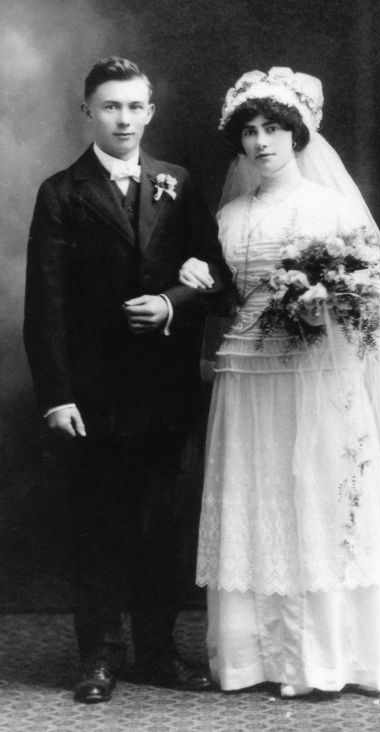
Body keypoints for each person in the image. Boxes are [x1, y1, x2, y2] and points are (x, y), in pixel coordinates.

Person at [190, 67, 380, 696]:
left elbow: (372, 306)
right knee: (261, 499)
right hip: (245, 378)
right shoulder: (226, 216)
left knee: (322, 501)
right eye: (249, 131)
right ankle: (259, 658)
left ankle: (331, 658)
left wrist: (325, 305)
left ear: (298, 134)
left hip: (317, 377)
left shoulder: (329, 208)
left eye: (274, 127)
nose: (261, 141)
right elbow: (224, 297)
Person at [24, 57, 229, 704]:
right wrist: (57, 395)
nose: (123, 119)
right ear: (88, 111)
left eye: (134, 106)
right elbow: (44, 305)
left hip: (164, 391)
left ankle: (159, 652)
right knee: (99, 526)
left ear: (150, 112)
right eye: (110, 106)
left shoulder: (178, 181)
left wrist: (173, 302)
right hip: (94, 394)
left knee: (160, 525)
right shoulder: (62, 192)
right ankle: (99, 658)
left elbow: (217, 274)